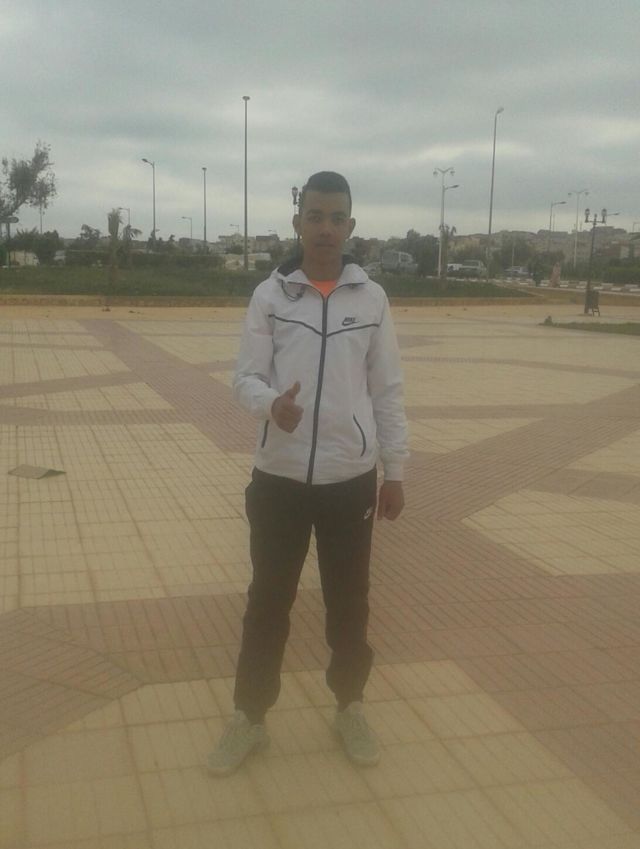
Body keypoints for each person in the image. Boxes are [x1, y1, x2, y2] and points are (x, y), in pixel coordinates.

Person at [207, 171, 408, 775]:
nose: (325, 228)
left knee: (349, 602)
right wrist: (272, 405)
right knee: (268, 602)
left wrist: (395, 469)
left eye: (336, 218)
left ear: (350, 226)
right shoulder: (271, 296)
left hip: (351, 479)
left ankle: (350, 707)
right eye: (315, 216)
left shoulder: (370, 299)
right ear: (298, 223)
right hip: (280, 478)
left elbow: (387, 390)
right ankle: (249, 718)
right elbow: (245, 377)